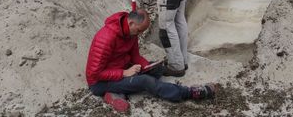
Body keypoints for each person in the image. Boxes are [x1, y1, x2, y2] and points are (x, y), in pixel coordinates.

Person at [85, 9, 216, 113]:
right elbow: (94, 74)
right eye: (139, 30)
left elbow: (135, 56)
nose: (139, 34)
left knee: (156, 69)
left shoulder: (131, 32)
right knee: (145, 81)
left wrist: (147, 66)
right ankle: (189, 93)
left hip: (121, 68)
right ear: (131, 23)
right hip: (100, 82)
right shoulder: (106, 38)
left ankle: (116, 93)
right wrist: (124, 73)